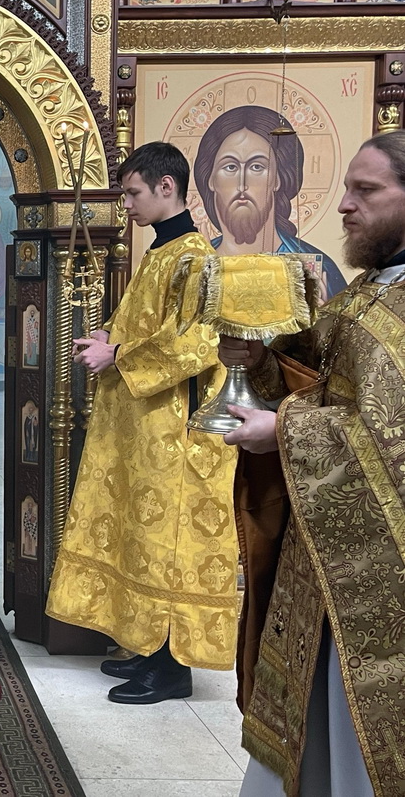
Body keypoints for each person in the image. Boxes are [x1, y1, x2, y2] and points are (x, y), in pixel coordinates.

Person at [223, 131, 405, 797]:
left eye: (367, 190)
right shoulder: (365, 292)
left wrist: (283, 431)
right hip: (323, 549)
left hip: (383, 570)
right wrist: (261, 362)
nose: (346, 205)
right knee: (308, 713)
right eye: (348, 188)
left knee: (360, 727)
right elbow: (313, 383)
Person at [45, 141, 239, 704]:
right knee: (141, 536)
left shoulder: (194, 258)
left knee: (166, 542)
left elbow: (197, 343)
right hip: (141, 427)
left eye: (132, 193)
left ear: (165, 187)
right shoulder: (161, 252)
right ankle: (146, 647)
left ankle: (171, 669)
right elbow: (145, 321)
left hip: (173, 432)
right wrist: (110, 333)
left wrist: (117, 355)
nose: (126, 204)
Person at [192, 105, 345, 299]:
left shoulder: (320, 271)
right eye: (230, 167)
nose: (242, 184)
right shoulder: (194, 266)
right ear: (211, 179)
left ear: (278, 179)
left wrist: (321, 314)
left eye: (257, 167)